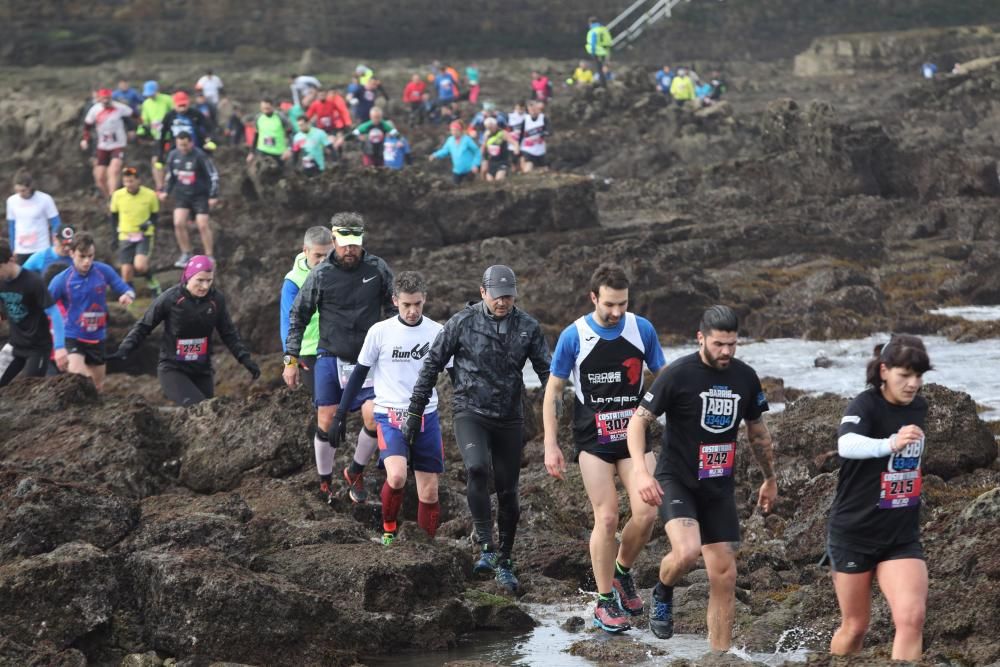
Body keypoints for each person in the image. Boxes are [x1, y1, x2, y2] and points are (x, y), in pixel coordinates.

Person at [629, 305, 777, 647]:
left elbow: (758, 432)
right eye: (718, 344)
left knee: (725, 575)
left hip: (718, 486)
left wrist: (770, 478)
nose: (726, 351)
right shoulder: (678, 374)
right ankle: (663, 589)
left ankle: (719, 656)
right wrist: (640, 472)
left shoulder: (745, 377)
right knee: (686, 552)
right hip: (676, 479)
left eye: (732, 344)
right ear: (701, 338)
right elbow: (638, 421)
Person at [402, 265, 551, 592]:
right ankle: (486, 547)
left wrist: (559, 418)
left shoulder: (527, 327)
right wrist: (414, 412)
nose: (502, 302)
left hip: (510, 416)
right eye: (497, 296)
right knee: (477, 470)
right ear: (483, 293)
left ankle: (506, 559)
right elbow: (431, 365)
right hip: (470, 411)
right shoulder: (462, 323)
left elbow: (548, 375)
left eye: (508, 296)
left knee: (509, 490)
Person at [543, 265, 666, 633]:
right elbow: (553, 392)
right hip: (593, 440)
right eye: (609, 304)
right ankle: (604, 602)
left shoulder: (641, 329)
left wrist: (668, 423)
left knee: (646, 512)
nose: (616, 312)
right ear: (593, 297)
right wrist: (550, 444)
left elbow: (665, 380)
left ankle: (621, 572)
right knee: (608, 517)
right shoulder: (573, 336)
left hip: (635, 436)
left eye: (623, 304)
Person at [826, 335, 932, 661]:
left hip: (900, 533)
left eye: (918, 376)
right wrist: (891, 443)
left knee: (912, 619)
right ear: (884, 371)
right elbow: (847, 446)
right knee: (856, 626)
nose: (913, 384)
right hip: (855, 532)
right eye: (905, 376)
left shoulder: (919, 406)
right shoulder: (865, 404)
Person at [283, 214, 395, 505]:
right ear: (334, 241)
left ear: (362, 241)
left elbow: (394, 309)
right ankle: (324, 482)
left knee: (373, 415)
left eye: (355, 245)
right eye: (344, 244)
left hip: (368, 359)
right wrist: (290, 358)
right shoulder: (320, 275)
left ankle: (355, 471)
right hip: (330, 355)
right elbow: (298, 316)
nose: (349, 250)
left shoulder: (378, 268)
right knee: (327, 418)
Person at [335, 271, 447, 545]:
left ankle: (426, 545)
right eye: (407, 305)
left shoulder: (438, 332)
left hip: (426, 416)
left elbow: (458, 373)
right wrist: (340, 414)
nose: (412, 311)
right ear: (395, 300)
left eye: (418, 304)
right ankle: (388, 529)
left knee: (430, 492)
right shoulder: (380, 332)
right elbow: (360, 374)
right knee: (396, 476)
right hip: (389, 414)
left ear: (425, 300)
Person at [112, 256, 259, 406]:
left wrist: (245, 359)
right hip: (173, 370)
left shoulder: (216, 300)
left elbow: (228, 333)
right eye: (200, 280)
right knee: (199, 409)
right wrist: (124, 349)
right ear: (188, 277)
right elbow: (143, 326)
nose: (205, 286)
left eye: (209, 280)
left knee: (210, 415)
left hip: (202, 371)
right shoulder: (170, 299)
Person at [47, 233, 134, 392]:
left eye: (90, 256)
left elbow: (125, 288)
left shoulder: (103, 271)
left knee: (97, 386)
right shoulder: (62, 280)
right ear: (72, 253)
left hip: (97, 338)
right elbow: (45, 304)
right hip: (73, 336)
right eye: (82, 256)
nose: (87, 261)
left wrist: (127, 295)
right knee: (78, 380)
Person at [0, 239, 68, 387]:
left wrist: (60, 347)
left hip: (37, 348)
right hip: (15, 344)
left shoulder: (33, 282)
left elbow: (55, 314)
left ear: (10, 260)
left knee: (27, 390)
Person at [279, 226, 333, 398]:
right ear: (305, 250)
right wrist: (290, 362)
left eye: (328, 254)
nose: (323, 260)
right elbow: (287, 324)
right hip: (309, 353)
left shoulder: (341, 273)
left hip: (340, 350)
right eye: (318, 255)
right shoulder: (293, 282)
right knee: (323, 407)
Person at [159, 131, 219, 267]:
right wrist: (166, 192)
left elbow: (213, 175)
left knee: (202, 224)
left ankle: (209, 256)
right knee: (178, 223)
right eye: (180, 145)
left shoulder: (200, 156)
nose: (183, 148)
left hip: (199, 195)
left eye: (186, 145)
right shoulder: (173, 155)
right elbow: (171, 176)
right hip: (182, 194)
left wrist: (213, 195)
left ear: (191, 143)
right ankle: (186, 253)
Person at [109, 167, 160, 295]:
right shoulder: (118, 195)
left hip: (144, 235)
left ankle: (153, 283)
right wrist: (114, 237)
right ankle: (129, 295)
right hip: (125, 235)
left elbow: (155, 215)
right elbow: (114, 217)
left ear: (138, 180)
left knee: (140, 265)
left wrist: (148, 223)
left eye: (131, 181)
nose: (128, 184)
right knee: (126, 272)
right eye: (126, 181)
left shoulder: (150, 195)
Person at [81, 88, 133, 198]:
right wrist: (85, 139)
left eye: (108, 98)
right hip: (103, 145)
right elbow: (86, 127)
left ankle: (113, 196)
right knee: (99, 177)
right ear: (99, 99)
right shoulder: (94, 110)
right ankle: (108, 198)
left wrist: (133, 130)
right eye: (103, 98)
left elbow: (134, 116)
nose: (106, 101)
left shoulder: (119, 108)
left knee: (114, 170)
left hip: (118, 144)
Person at [6, 170, 61, 265]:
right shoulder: (11, 201)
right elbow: (11, 226)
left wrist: (54, 245)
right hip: (21, 250)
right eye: (17, 191)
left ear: (30, 187)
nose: (20, 194)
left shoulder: (45, 199)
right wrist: (12, 248)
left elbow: (56, 223)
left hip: (41, 247)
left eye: (23, 190)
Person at [138, 81, 173, 190]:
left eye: (152, 93)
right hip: (157, 137)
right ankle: (160, 186)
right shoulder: (146, 104)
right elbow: (145, 120)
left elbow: (175, 113)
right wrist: (142, 130)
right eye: (148, 94)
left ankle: (171, 183)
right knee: (156, 161)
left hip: (170, 135)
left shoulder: (167, 99)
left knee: (172, 159)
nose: (150, 96)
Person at [247, 98, 293, 167]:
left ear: (272, 107)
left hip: (278, 153)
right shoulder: (258, 118)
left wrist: (289, 149)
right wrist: (251, 152)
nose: (265, 110)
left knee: (278, 174)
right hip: (262, 151)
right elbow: (256, 135)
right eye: (263, 108)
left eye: (267, 108)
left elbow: (290, 134)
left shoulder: (281, 117)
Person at [516, 100, 549, 173]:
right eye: (531, 110)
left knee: (544, 169)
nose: (533, 111)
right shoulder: (525, 119)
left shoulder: (543, 118)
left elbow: (549, 131)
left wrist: (542, 134)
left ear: (538, 109)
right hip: (527, 149)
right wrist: (518, 146)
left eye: (534, 109)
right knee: (528, 166)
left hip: (540, 149)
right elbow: (521, 135)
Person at [585, 17, 613, 85]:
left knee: (600, 68)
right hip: (606, 50)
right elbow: (609, 40)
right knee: (606, 66)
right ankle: (608, 81)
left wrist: (593, 52)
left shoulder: (593, 31)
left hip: (598, 51)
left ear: (590, 23)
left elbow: (593, 42)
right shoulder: (604, 29)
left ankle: (602, 83)